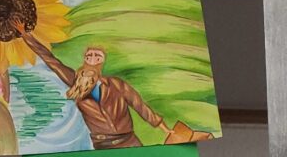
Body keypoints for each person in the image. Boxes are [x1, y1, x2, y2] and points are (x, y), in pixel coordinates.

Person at [12, 19, 171, 149]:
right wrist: (26, 35)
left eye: (97, 56)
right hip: (103, 145)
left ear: (102, 62)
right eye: (89, 55)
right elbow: (50, 60)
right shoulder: (75, 82)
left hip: (129, 141)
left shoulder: (117, 85)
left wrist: (165, 129)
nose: (92, 59)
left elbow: (140, 106)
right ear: (84, 60)